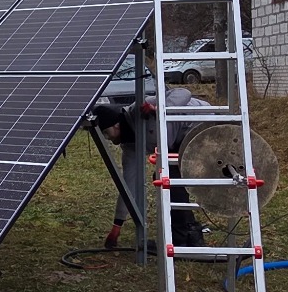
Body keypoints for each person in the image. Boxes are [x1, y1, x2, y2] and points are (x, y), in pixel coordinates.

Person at [90, 91, 210, 248]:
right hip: (176, 140)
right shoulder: (130, 146)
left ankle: (184, 238)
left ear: (116, 125)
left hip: (201, 123)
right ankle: (186, 235)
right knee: (165, 178)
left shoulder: (141, 108)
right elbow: (128, 185)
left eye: (106, 133)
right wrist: (116, 226)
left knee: (169, 178)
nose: (108, 138)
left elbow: (184, 93)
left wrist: (160, 109)